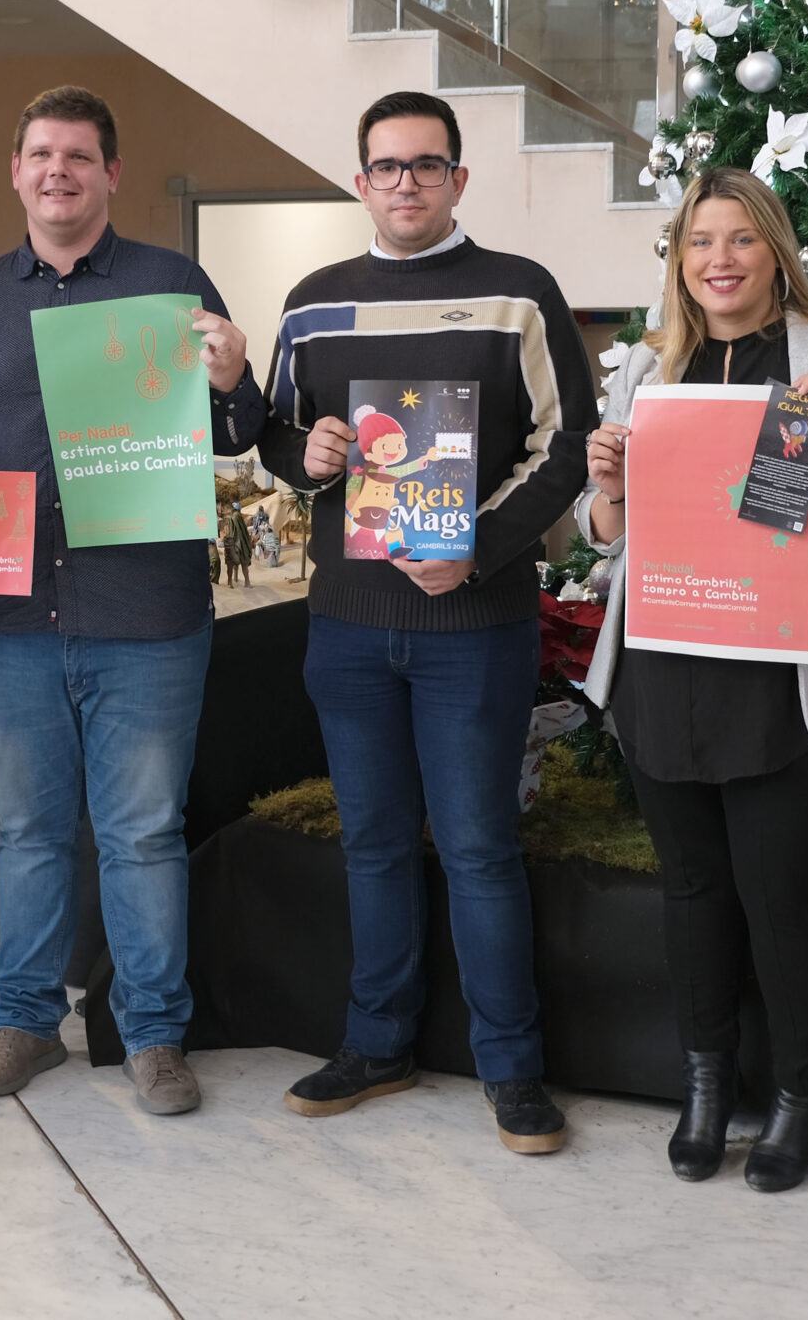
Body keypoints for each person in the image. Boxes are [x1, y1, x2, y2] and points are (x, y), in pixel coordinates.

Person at [0, 85, 264, 1116]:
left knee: (142, 835)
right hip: (13, 615)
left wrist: (235, 377)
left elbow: (237, 433)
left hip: (148, 618)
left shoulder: (170, 286)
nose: (56, 171)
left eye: (77, 156)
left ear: (111, 174)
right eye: (40, 154)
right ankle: (24, 1023)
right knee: (26, 831)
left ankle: (154, 1036)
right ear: (15, 172)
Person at [576, 166, 808, 1191]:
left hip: (789, 674)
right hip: (667, 663)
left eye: (739, 239)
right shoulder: (649, 368)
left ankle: (799, 1098)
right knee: (691, 891)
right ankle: (706, 1085)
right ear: (679, 260)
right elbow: (608, 536)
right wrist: (605, 488)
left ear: (775, 250)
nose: (718, 260)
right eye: (699, 241)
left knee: (780, 898)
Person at [258, 90, 593, 1154]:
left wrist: (480, 547)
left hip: (475, 628)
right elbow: (277, 437)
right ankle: (377, 1045)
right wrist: (304, 453)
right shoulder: (312, 304)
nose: (406, 183)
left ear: (458, 178)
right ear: (360, 182)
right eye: (387, 166)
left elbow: (568, 444)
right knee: (372, 845)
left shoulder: (519, 292)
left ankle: (512, 1068)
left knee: (481, 847)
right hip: (348, 626)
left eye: (427, 164)